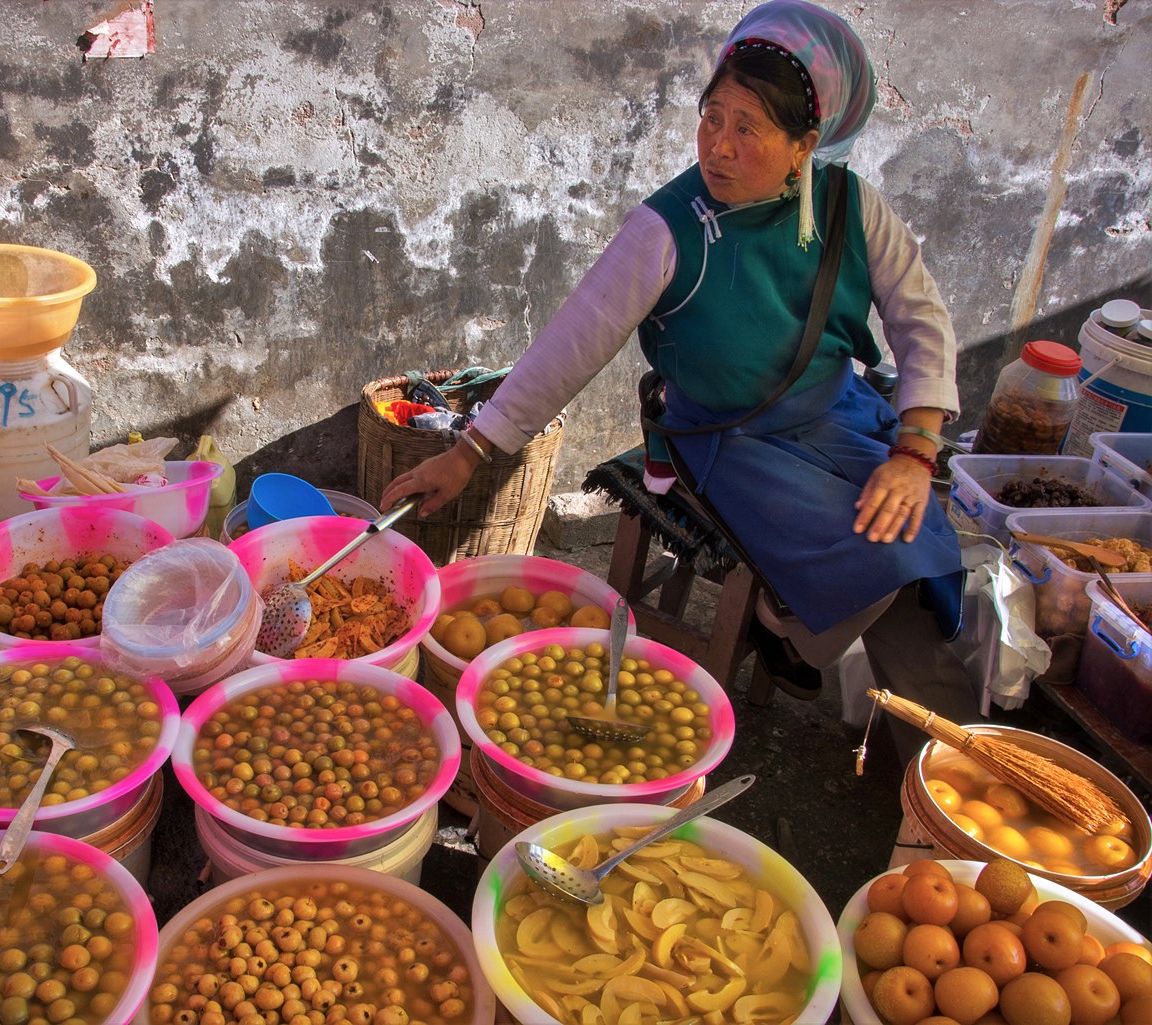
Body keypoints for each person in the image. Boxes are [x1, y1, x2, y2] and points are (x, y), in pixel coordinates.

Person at [381, 0, 972, 747]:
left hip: (835, 415)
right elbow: (569, 346)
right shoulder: (667, 228)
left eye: (747, 128)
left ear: (805, 146)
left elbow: (923, 321)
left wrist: (917, 451)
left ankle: (942, 760)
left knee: (920, 533)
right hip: (727, 440)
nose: (717, 147)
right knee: (886, 550)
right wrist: (469, 452)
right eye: (711, 118)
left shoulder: (853, 207)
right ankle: (799, 635)